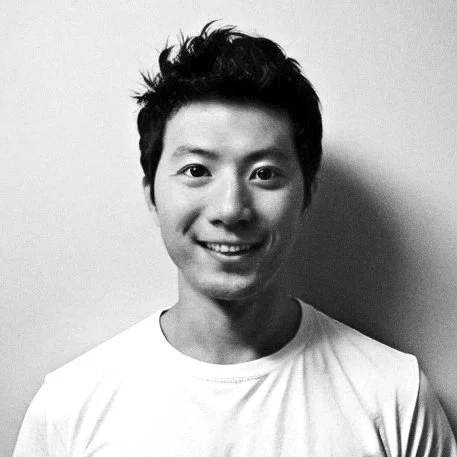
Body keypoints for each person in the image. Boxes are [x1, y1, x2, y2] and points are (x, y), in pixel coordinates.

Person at [13, 22, 456, 457]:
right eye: (197, 170)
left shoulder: (395, 396)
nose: (230, 209)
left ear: (307, 193)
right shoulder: (69, 407)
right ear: (151, 194)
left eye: (264, 173)